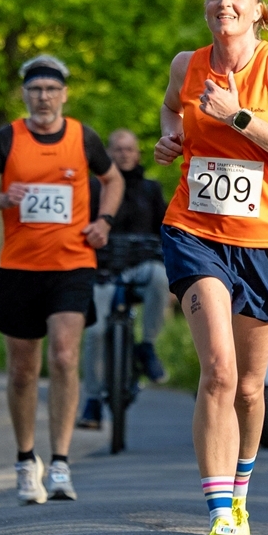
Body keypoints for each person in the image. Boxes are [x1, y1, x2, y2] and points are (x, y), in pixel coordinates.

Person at [153, 0, 268, 535]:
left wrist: (237, 117)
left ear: (256, 7)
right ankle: (220, 517)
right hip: (195, 232)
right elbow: (171, 110)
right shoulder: (186, 66)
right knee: (218, 371)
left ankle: (241, 495)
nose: (225, 3)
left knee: (251, 387)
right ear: (206, 6)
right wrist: (170, 138)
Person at [0, 55, 124, 504]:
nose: (43, 97)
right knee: (21, 370)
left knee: (65, 356)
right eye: (35, 89)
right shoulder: (8, 138)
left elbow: (113, 180)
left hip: (73, 263)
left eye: (51, 89)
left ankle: (60, 464)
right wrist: (1, 199)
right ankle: (24, 459)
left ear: (64, 94)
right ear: (24, 94)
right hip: (19, 267)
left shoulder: (81, 136)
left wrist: (104, 222)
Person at [77, 129, 170, 430]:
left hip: (141, 268)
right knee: (95, 332)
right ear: (108, 153)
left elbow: (166, 229)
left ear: (137, 154)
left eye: (129, 149)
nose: (124, 154)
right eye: (117, 149)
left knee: (160, 275)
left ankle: (147, 346)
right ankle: (92, 400)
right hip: (103, 271)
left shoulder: (150, 189)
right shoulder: (93, 187)